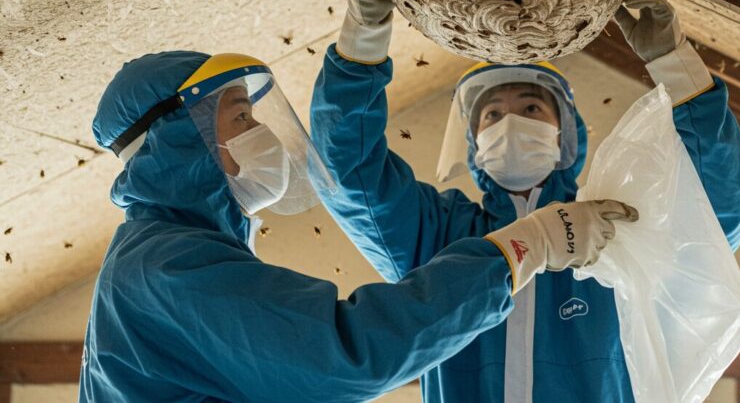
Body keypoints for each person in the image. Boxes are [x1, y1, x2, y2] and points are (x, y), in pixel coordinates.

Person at [310, 0, 740, 402]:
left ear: (564, 134)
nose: (511, 123)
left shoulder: (612, 229)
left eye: (530, 108)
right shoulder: (440, 237)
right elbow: (347, 171)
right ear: (474, 139)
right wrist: (362, 38)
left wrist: (675, 64)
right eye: (492, 114)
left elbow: (723, 208)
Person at [80, 50, 637, 402]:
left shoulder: (173, 253)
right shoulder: (168, 268)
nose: (263, 135)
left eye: (532, 108)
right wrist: (528, 244)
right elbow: (348, 352)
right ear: (182, 135)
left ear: (568, 131)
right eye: (243, 118)